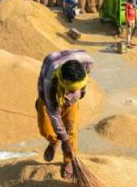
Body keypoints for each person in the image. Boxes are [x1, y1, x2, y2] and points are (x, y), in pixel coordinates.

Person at [36, 50, 94, 178]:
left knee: (70, 128)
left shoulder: (87, 61)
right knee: (44, 128)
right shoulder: (49, 82)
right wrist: (64, 140)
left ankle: (69, 160)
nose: (73, 92)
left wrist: (80, 92)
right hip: (47, 96)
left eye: (76, 89)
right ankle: (53, 141)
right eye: (71, 90)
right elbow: (54, 115)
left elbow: (86, 75)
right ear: (62, 82)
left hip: (70, 97)